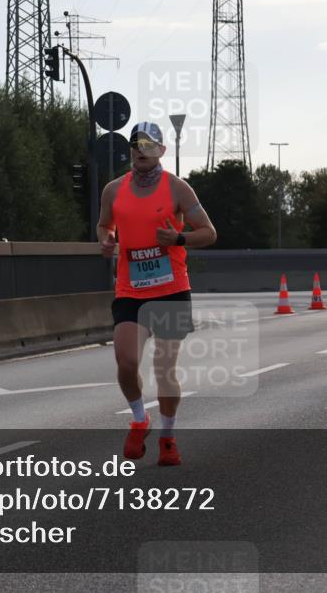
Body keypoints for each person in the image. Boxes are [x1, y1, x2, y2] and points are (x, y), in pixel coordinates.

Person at [98, 121, 217, 466]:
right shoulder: (113, 190)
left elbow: (208, 233)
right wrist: (106, 240)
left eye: (149, 144)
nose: (141, 150)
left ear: (161, 151)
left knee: (164, 369)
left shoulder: (178, 189)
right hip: (130, 290)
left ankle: (168, 435)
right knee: (126, 363)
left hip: (171, 289)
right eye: (136, 144)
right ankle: (139, 419)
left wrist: (178, 238)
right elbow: (105, 224)